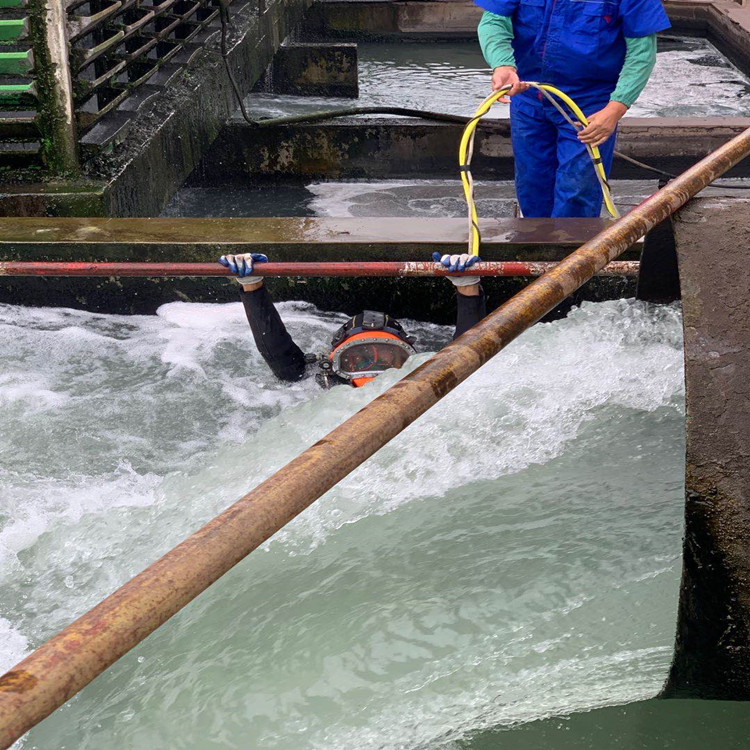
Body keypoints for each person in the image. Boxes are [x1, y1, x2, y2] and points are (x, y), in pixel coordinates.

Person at [476, 0, 670, 218]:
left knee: (578, 189)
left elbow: (641, 53)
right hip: (528, 96)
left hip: (589, 103)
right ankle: (535, 245)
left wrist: (615, 108)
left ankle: (573, 249)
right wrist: (502, 64)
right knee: (532, 182)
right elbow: (493, 21)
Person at [219, 252, 486, 388]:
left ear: (411, 358)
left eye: (388, 360)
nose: (374, 372)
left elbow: (464, 358)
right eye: (359, 360)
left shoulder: (426, 379)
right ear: (333, 362)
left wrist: (468, 287)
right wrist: (251, 285)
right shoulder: (316, 380)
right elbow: (278, 354)